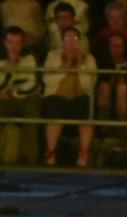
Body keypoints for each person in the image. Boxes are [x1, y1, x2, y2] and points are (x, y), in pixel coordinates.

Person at [43, 25, 97, 165]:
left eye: (74, 38)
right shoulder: (52, 56)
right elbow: (48, 80)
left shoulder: (89, 58)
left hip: (79, 99)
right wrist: (66, 65)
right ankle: (51, 154)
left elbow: (89, 85)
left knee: (87, 106)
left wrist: (80, 64)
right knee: (54, 108)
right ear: (62, 40)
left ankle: (84, 155)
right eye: (67, 38)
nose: (71, 42)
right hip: (58, 97)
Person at [0, 26, 42, 165]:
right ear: (4, 43)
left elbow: (32, 84)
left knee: (32, 115)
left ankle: (30, 159)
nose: (13, 47)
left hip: (25, 99)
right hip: (4, 100)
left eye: (17, 43)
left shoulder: (29, 58)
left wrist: (13, 92)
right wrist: (10, 69)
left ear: (22, 43)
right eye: (10, 42)